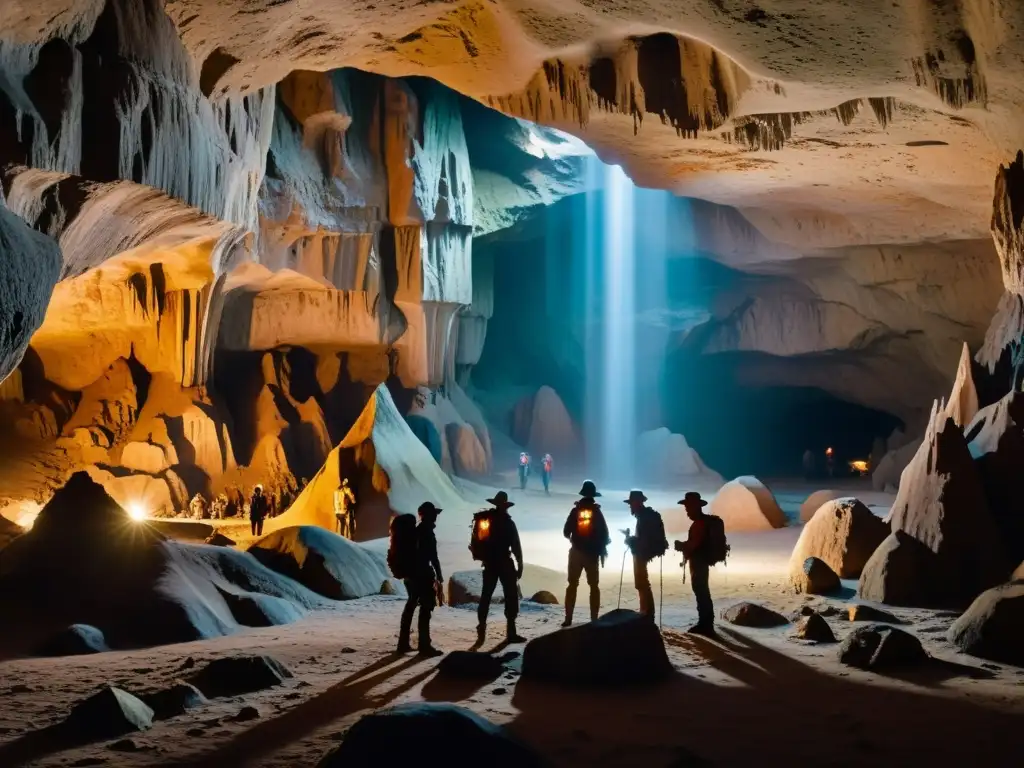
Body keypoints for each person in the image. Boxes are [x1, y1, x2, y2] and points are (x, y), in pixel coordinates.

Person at [474, 491, 526, 644]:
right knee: (511, 596)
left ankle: (481, 628)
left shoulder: (486, 520)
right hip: (504, 562)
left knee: (486, 596)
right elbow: (516, 545)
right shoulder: (508, 523)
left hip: (489, 563)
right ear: (505, 505)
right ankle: (511, 632)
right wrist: (520, 563)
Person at [397, 502, 444, 656]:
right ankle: (424, 645)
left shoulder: (414, 532)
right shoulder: (427, 533)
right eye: (434, 514)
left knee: (411, 605)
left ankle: (403, 643)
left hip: (411, 575)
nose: (436, 516)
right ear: (429, 515)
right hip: (422, 575)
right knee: (426, 608)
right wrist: (439, 575)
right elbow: (433, 556)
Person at [562, 480, 610, 626]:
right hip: (592, 555)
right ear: (593, 496)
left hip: (576, 553)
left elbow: (565, 531)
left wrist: (574, 540)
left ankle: (568, 618)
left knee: (572, 585)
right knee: (594, 586)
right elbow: (605, 534)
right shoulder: (597, 512)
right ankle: (594, 618)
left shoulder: (576, 510)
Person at [623, 489, 669, 623]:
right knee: (642, 582)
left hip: (641, 553)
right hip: (644, 551)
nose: (630, 506)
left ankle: (646, 613)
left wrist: (630, 540)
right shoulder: (645, 516)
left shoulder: (643, 518)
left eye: (631, 503)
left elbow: (643, 541)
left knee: (641, 582)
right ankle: (647, 612)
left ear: (637, 503)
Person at [676, 491, 715, 635]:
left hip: (699, 563)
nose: (686, 510)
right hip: (700, 562)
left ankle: (705, 624)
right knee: (702, 590)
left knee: (701, 590)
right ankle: (706, 622)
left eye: (688, 507)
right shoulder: (701, 522)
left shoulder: (699, 524)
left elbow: (694, 545)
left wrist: (681, 545)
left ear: (695, 507)